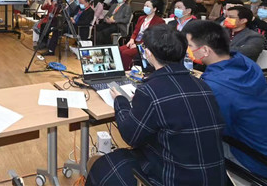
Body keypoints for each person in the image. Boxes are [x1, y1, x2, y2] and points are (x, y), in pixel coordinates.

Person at [87, 25, 226, 186]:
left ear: (148, 53)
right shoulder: (203, 85)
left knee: (104, 165)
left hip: (173, 178)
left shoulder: (149, 91)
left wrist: (120, 100)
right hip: (212, 176)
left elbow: (131, 136)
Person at [185, 20, 267, 182]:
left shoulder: (216, 87)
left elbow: (212, 128)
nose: (188, 51)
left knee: (193, 145)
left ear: (205, 50)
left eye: (190, 46)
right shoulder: (244, 63)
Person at [118, 0, 164, 69]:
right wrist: (132, 39)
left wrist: (138, 46)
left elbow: (154, 38)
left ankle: (127, 70)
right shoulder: (141, 18)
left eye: (148, 6)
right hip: (136, 41)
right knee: (119, 50)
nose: (145, 7)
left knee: (126, 53)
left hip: (145, 45)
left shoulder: (159, 21)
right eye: (145, 5)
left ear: (154, 9)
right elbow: (136, 31)